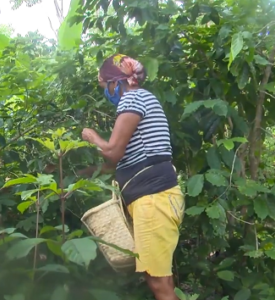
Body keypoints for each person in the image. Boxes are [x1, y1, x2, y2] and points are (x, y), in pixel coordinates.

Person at [81, 54, 184, 300]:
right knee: (161, 280)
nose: (106, 92)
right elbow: (129, 158)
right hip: (156, 198)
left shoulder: (133, 99)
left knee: (159, 283)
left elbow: (114, 152)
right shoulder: (143, 99)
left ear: (116, 83)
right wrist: (87, 173)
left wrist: (92, 137)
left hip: (153, 200)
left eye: (104, 87)